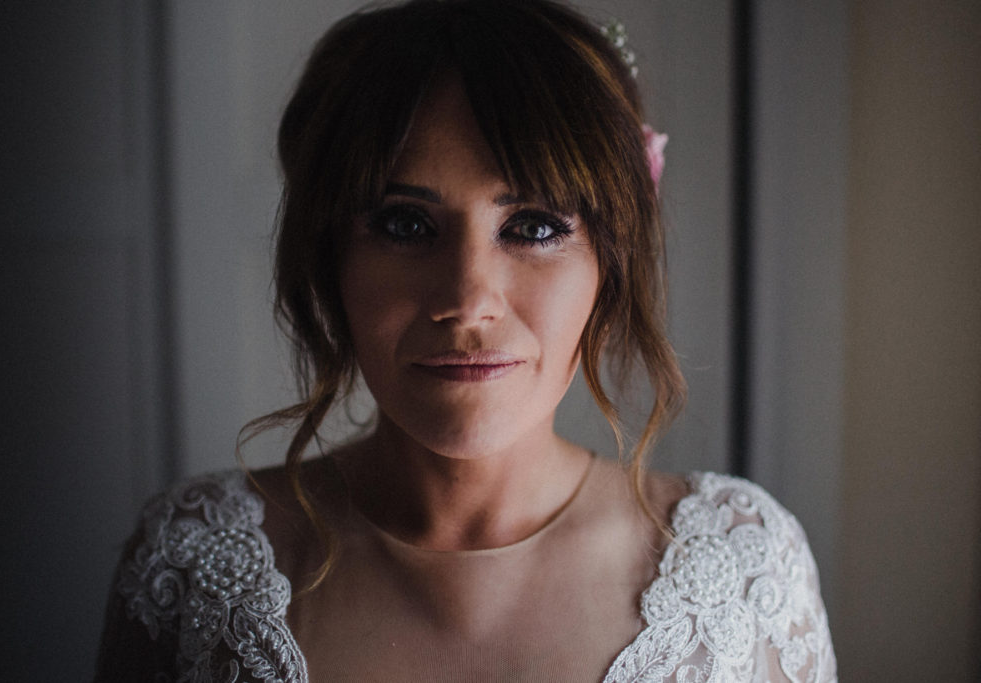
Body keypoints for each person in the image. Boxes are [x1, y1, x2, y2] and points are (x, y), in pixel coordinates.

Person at [95, 0, 836, 680]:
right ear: (329, 257)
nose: (468, 300)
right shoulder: (188, 568)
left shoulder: (746, 570)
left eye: (535, 226)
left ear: (611, 262)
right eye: (406, 225)